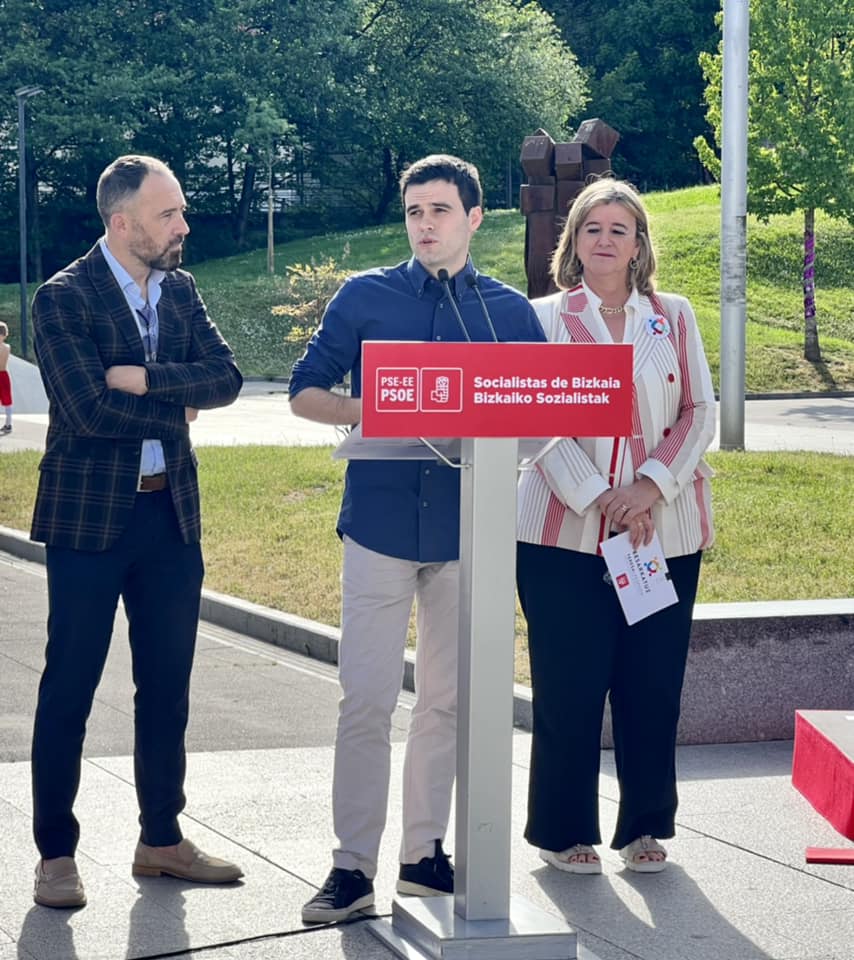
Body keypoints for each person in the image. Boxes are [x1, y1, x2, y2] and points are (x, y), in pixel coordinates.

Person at [290, 154, 545, 923]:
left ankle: (422, 854)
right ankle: (351, 866)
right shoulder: (364, 296)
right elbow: (304, 393)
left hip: (471, 530)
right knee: (365, 698)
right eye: (414, 213)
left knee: (446, 702)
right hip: (379, 526)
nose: (425, 225)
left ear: (474, 218)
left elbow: (539, 415)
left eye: (440, 211)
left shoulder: (509, 313)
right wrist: (375, 411)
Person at [29, 155, 244, 909]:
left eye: (180, 211)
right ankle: (56, 855)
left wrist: (146, 377)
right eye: (167, 215)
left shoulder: (179, 290)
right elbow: (86, 411)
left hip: (170, 518)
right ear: (122, 224)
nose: (182, 225)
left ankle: (161, 840)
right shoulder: (62, 298)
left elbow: (226, 379)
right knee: (70, 688)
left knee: (167, 688)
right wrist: (173, 409)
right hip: (88, 525)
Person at [516, 178, 715, 875]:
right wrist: (601, 496)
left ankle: (643, 828)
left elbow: (699, 412)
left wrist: (646, 489)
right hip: (562, 536)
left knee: (652, 684)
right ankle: (564, 830)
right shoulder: (540, 319)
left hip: (660, 532)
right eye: (591, 227)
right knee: (568, 684)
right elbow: (534, 417)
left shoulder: (675, 316)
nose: (604, 239)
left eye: (618, 229)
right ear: (574, 240)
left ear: (639, 245)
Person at [0, 321, 13, 433]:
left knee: (6, 399)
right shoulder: (7, 347)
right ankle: (8, 423)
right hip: (4, 374)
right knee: (7, 400)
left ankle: (8, 424)